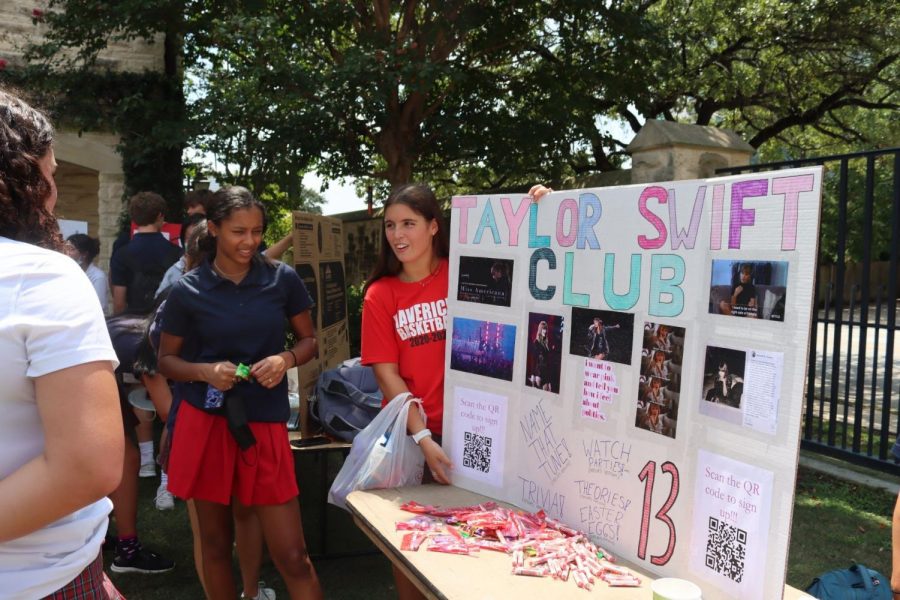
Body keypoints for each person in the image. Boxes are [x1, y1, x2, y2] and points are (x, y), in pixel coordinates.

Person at [158, 185, 322, 598]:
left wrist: (285, 359)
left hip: (264, 424)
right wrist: (205, 371)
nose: (250, 241)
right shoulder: (187, 289)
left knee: (293, 554)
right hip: (206, 421)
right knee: (214, 545)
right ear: (213, 229)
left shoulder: (281, 279)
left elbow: (309, 341)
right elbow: (165, 361)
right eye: (238, 231)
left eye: (257, 231)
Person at [0, 88, 124, 598]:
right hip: (39, 578)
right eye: (48, 178)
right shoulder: (39, 276)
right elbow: (86, 466)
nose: (53, 197)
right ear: (21, 182)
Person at [109, 191, 182, 315]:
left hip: (132, 322)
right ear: (160, 216)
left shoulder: (121, 254)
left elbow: (119, 303)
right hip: (163, 322)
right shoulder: (176, 253)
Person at [65, 233, 109, 312]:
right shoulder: (68, 273)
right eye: (65, 249)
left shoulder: (98, 277)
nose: (66, 253)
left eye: (71, 249)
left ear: (84, 254)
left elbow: (99, 307)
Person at [531, 320, 553, 391]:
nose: (545, 331)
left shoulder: (546, 343)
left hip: (546, 372)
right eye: (543, 329)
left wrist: (549, 380)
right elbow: (534, 359)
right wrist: (533, 375)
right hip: (539, 372)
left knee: (548, 391)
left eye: (546, 329)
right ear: (540, 330)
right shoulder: (536, 343)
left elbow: (548, 361)